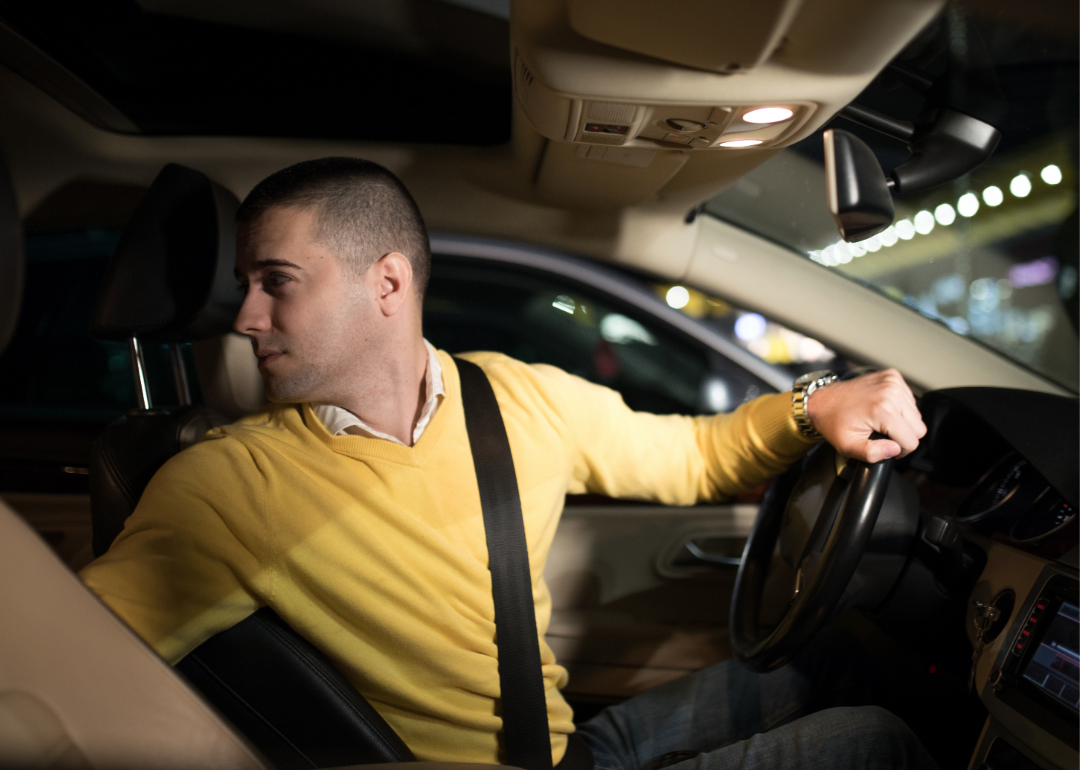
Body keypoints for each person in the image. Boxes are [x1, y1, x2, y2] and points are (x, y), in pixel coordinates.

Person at [80, 158, 934, 770]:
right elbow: (69, 661)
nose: (247, 316)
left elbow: (689, 457)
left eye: (276, 280)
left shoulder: (517, 396)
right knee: (879, 740)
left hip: (570, 750)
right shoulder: (226, 486)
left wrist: (813, 405)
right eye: (247, 284)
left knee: (834, 660)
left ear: (385, 285)